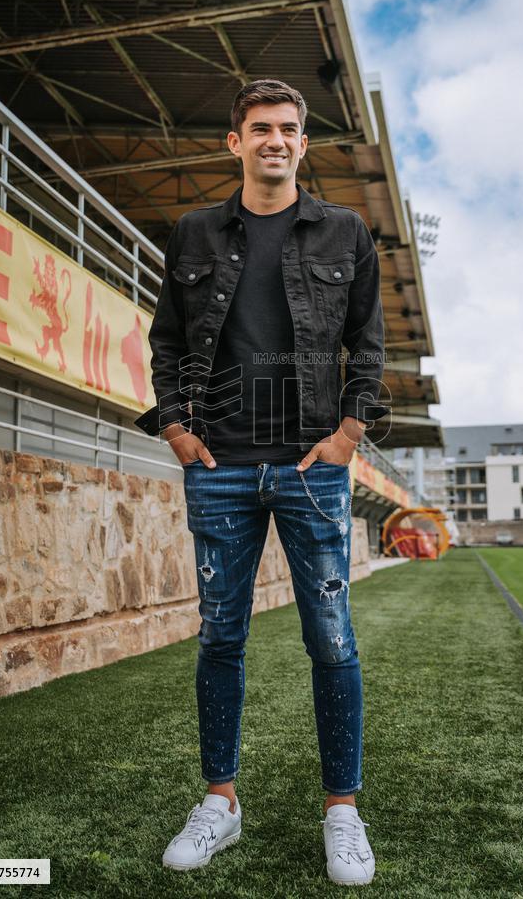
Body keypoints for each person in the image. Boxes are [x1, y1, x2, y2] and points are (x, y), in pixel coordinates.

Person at [138, 78, 387, 886]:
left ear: (303, 144)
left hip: (311, 470)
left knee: (332, 640)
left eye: (287, 129)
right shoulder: (194, 233)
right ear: (235, 143)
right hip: (219, 468)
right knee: (220, 639)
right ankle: (220, 803)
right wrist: (176, 427)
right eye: (259, 129)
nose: (274, 140)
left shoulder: (345, 233)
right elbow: (168, 342)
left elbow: (368, 347)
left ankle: (341, 813)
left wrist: (349, 433)